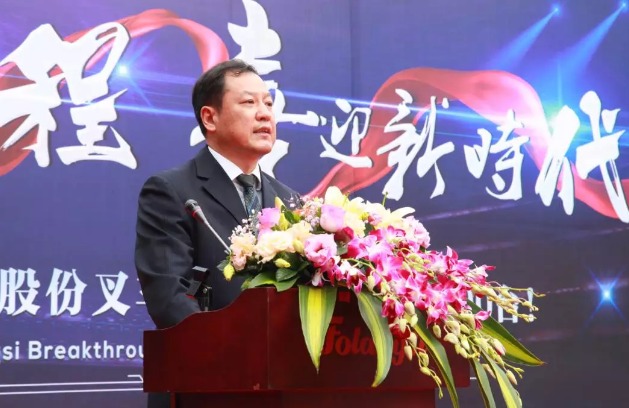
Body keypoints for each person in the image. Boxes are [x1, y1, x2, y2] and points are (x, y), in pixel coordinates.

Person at [135, 59, 299, 407]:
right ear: (210, 118)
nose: (264, 114)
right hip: (203, 387)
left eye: (268, 103)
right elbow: (168, 296)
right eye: (249, 102)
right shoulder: (172, 190)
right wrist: (235, 355)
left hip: (281, 389)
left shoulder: (289, 201)